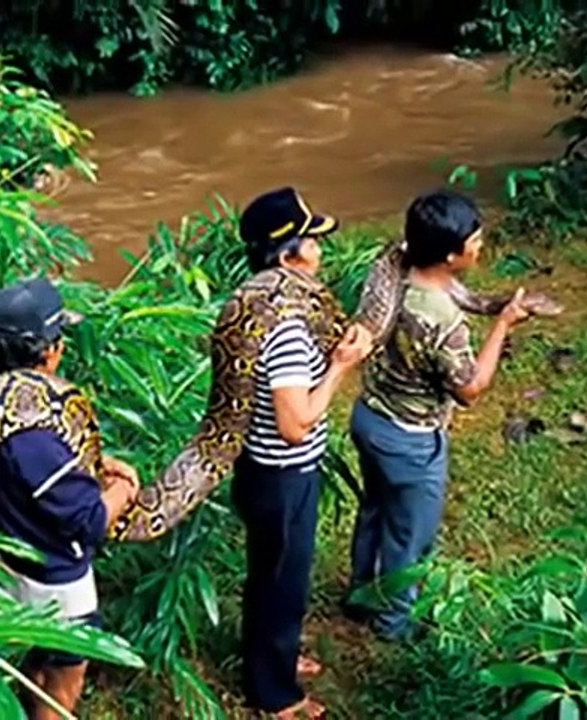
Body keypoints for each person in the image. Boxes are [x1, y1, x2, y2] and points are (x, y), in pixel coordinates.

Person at [342, 189, 534, 641]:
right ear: (451, 255)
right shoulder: (442, 319)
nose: (481, 246)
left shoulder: (398, 274)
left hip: (371, 417)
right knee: (409, 538)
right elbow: (469, 388)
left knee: (374, 510)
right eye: (475, 241)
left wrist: (497, 305)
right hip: (410, 440)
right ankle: (394, 625)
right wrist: (502, 326)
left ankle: (359, 597)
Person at [231, 188, 373, 719]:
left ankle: (281, 651)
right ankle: (273, 693)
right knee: (278, 577)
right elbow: (294, 424)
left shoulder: (265, 303)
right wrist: (341, 366)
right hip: (281, 471)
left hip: (268, 469)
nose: (321, 249)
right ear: (290, 256)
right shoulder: (287, 328)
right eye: (313, 240)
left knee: (281, 573)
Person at [0, 277, 141, 720]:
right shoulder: (37, 441)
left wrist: (96, 464)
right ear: (49, 350)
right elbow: (89, 521)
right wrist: (125, 488)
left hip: (13, 560)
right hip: (57, 577)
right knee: (67, 675)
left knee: (37, 657)